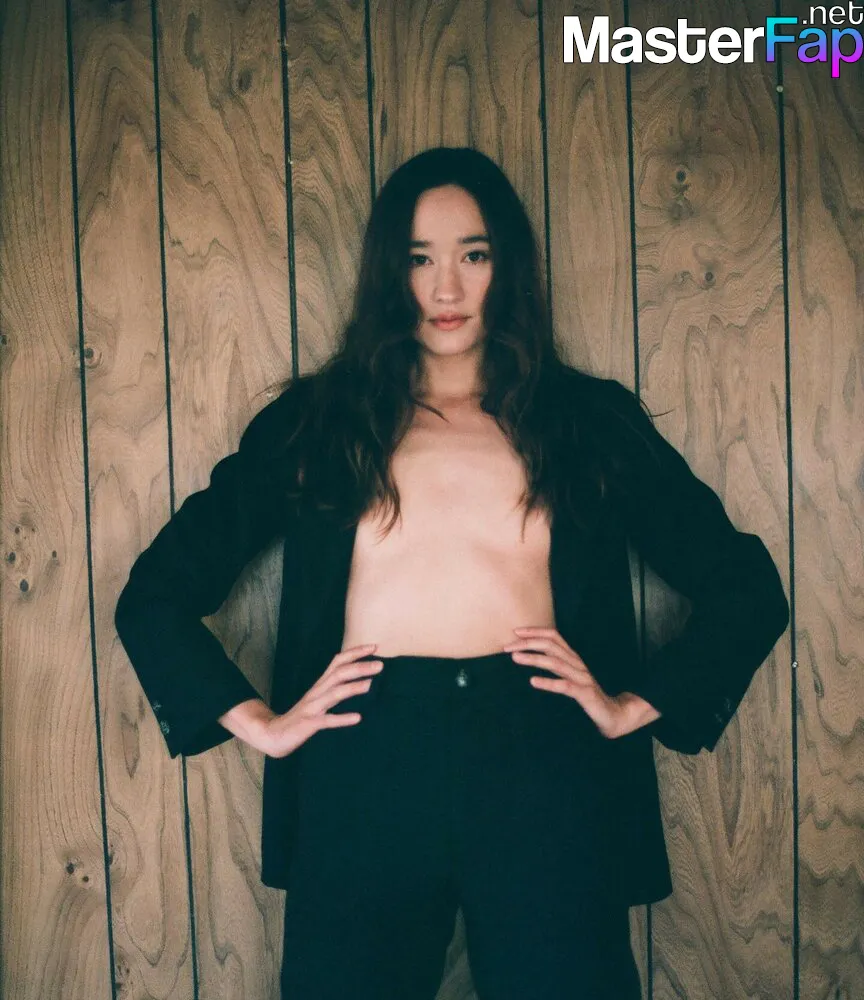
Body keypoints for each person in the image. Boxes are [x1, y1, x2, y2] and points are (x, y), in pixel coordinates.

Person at [115, 146, 790, 1000]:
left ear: (508, 266)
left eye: (473, 254)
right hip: (365, 750)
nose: (446, 287)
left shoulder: (587, 421)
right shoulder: (319, 423)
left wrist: (633, 706)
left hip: (541, 749)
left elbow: (745, 588)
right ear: (387, 273)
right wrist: (264, 725)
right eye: (418, 258)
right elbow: (156, 596)